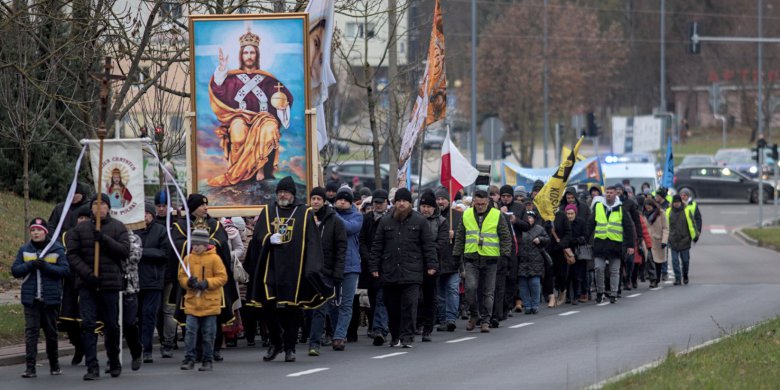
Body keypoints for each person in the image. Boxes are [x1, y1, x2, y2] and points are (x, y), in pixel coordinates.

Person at [245, 176, 332, 362]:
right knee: (268, 308)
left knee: (292, 310)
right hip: (271, 268)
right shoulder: (268, 211)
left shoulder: (304, 212)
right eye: (279, 192)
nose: (282, 195)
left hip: (295, 269)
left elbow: (312, 240)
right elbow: (258, 237)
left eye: (285, 192)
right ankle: (276, 342)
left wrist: (313, 267)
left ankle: (290, 348)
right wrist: (269, 238)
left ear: (293, 194)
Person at [208, 27, 294, 186]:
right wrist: (221, 69)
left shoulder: (268, 80)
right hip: (240, 117)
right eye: (246, 53)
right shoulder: (232, 79)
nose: (249, 56)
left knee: (269, 129)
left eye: (252, 52)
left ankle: (260, 170)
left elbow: (284, 97)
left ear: (257, 55)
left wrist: (282, 106)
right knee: (238, 131)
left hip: (264, 118)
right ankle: (238, 170)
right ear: (241, 56)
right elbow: (218, 91)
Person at [66, 194, 130, 380]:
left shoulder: (118, 227)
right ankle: (92, 366)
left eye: (102, 204)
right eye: (95, 204)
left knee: (111, 325)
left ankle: (114, 361)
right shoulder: (80, 229)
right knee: (88, 325)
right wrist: (87, 274)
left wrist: (104, 240)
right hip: (88, 285)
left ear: (108, 208)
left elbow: (124, 251)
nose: (99, 207)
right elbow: (72, 255)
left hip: (110, 284)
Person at [171, 194, 239, 362]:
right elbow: (177, 244)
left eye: (206, 205)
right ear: (193, 208)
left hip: (211, 279)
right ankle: (194, 351)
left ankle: (214, 349)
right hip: (191, 276)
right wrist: (193, 243)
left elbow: (221, 242)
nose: (205, 208)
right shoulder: (181, 225)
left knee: (213, 319)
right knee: (191, 319)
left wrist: (207, 244)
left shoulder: (214, 224)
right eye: (202, 205)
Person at [369, 188, 437, 348]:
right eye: (398, 201)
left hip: (412, 272)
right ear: (394, 203)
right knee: (392, 307)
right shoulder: (385, 221)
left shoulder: (419, 221)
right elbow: (377, 245)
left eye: (404, 201)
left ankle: (407, 336)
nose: (401, 204)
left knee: (410, 305)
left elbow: (428, 245)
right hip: (390, 271)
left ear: (410, 203)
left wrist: (432, 264)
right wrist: (374, 265)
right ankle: (395, 335)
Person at [12, 218, 69, 378]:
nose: (35, 233)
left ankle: (54, 365)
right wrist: (30, 265)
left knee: (51, 333)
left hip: (50, 299)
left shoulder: (56, 249)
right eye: (32, 230)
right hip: (31, 299)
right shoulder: (24, 250)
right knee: (31, 333)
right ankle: (30, 368)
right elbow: (15, 270)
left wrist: (46, 267)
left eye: (38, 230)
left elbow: (65, 271)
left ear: (45, 232)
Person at [453, 190, 512, 333]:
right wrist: (456, 254)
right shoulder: (466, 214)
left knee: (488, 292)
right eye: (477, 203)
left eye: (482, 204)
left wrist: (505, 256)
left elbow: (505, 237)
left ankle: (485, 320)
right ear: (473, 201)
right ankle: (474, 314)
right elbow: (460, 236)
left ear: (487, 201)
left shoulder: (497, 215)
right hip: (471, 258)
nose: (480, 206)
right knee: (470, 289)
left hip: (490, 259)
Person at [178, 229, 228, 372]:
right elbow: (181, 277)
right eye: (194, 244)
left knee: (208, 334)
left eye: (199, 244)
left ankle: (207, 360)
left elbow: (222, 277)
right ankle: (189, 359)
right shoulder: (188, 259)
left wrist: (207, 283)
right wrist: (188, 282)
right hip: (192, 303)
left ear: (206, 245)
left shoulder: (215, 259)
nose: (196, 247)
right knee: (190, 333)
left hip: (209, 303)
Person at [307, 187, 346, 356]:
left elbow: (341, 248)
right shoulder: (305, 218)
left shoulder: (334, 221)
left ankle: (315, 343)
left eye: (318, 199)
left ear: (324, 201)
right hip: (308, 271)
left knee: (320, 308)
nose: (315, 201)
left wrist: (338, 272)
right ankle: (312, 336)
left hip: (326, 271)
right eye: (313, 198)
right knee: (307, 309)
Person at [587, 186, 635, 304]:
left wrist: (630, 245)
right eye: (607, 192)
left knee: (614, 270)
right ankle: (600, 292)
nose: (608, 194)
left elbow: (628, 227)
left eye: (611, 193)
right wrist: (585, 238)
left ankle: (613, 293)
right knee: (598, 268)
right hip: (600, 243)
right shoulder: (598, 206)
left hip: (615, 244)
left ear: (615, 195)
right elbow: (590, 224)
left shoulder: (620, 208)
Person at [134, 203, 170, 363]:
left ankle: (147, 349)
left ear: (152, 215)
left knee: (149, 315)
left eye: (147, 213)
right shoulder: (134, 231)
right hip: (135, 281)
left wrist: (142, 252)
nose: (144, 216)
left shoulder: (160, 231)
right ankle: (138, 347)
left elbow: (164, 253)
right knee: (136, 316)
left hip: (154, 281)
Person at [330, 186, 363, 351]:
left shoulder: (357, 216)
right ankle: (336, 331)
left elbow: (349, 228)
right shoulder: (329, 215)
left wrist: (332, 214)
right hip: (332, 265)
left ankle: (339, 336)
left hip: (350, 265)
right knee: (332, 303)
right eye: (339, 199)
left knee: (346, 303)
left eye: (345, 200)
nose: (342, 202)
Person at [360, 189, 391, 345]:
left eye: (381, 203)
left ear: (387, 203)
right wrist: (369, 257)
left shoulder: (391, 219)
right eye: (376, 203)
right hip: (369, 264)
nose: (378, 206)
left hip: (386, 265)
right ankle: (374, 325)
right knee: (372, 297)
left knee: (381, 298)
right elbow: (362, 240)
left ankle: (380, 329)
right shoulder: (366, 219)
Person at [417, 190, 446, 341]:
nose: (425, 209)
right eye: (423, 206)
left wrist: (426, 247)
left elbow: (441, 244)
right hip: (414, 264)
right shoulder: (413, 220)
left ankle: (427, 327)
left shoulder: (441, 222)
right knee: (415, 297)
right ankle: (417, 323)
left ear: (434, 207)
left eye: (428, 206)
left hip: (432, 264)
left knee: (429, 297)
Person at [435, 188, 461, 332]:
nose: (440, 202)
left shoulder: (457, 216)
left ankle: (451, 318)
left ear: (448, 200)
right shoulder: (433, 216)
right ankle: (443, 319)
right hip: (438, 261)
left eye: (442, 199)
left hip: (453, 260)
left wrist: (455, 234)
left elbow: (466, 234)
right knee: (440, 293)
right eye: (438, 199)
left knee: (452, 290)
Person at [120, 229, 144, 371]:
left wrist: (115, 245)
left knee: (129, 323)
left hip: (129, 287)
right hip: (110, 285)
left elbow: (134, 258)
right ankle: (114, 359)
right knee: (112, 324)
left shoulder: (134, 238)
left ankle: (136, 351)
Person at [517, 210, 549, 314]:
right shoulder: (519, 229)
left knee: (535, 283)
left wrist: (540, 239)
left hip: (536, 261)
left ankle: (535, 305)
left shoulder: (539, 229)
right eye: (527, 218)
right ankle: (527, 305)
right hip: (522, 261)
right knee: (523, 285)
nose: (529, 219)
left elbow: (547, 239)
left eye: (531, 217)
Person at [666, 195, 698, 285]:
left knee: (685, 261)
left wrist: (695, 236)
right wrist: (666, 238)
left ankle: (685, 275)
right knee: (675, 261)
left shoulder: (687, 211)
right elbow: (666, 227)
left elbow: (692, 224)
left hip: (685, 240)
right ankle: (677, 278)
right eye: (674, 202)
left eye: (678, 202)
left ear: (681, 202)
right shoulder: (668, 212)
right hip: (673, 240)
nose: (676, 204)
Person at [566, 204, 589, 304]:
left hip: (578, 252)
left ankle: (576, 295)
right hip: (566, 251)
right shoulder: (564, 223)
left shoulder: (581, 222)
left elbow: (585, 236)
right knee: (567, 275)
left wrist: (577, 240)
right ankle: (567, 296)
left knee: (577, 275)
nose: (570, 216)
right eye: (568, 214)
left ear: (575, 213)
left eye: (571, 213)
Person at [643, 198, 668, 289]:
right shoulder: (643, 215)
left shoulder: (661, 214)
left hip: (658, 241)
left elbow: (665, 228)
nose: (648, 209)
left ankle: (656, 279)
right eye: (646, 207)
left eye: (649, 207)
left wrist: (664, 241)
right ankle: (652, 280)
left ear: (653, 206)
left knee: (658, 263)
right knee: (650, 260)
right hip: (647, 242)